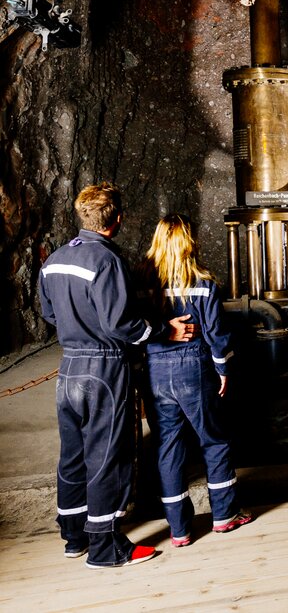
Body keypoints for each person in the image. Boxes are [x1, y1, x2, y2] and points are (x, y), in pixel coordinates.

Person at [38, 183, 198, 569]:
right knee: (109, 456)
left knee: (73, 457)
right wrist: (165, 331)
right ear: (118, 220)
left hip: (69, 368)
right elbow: (123, 324)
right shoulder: (107, 261)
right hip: (105, 368)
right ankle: (106, 547)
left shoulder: (55, 260)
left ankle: (74, 537)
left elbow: (50, 315)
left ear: (83, 216)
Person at [138, 213, 251, 547]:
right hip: (194, 369)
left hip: (155, 370)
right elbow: (217, 335)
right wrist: (223, 370)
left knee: (167, 446)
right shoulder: (204, 285)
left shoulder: (141, 286)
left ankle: (179, 530)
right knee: (213, 440)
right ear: (190, 242)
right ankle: (224, 516)